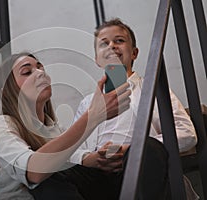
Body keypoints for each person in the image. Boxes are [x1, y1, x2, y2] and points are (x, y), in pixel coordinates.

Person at [70, 18, 198, 199]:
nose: (112, 46)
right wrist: (92, 159)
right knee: (54, 170)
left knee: (148, 147)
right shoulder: (87, 102)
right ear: (97, 59)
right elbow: (73, 149)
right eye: (104, 44)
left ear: (134, 53)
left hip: (142, 170)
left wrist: (132, 149)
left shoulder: (153, 90)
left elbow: (187, 134)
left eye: (119, 41)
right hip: (99, 177)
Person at [0, 52, 131, 200]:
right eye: (27, 72)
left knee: (126, 163)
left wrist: (101, 158)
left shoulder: (53, 127)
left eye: (40, 67)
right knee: (49, 167)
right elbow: (33, 172)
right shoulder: (2, 124)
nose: (40, 73)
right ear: (8, 90)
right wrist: (92, 117)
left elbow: (76, 157)